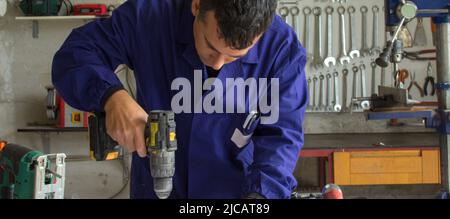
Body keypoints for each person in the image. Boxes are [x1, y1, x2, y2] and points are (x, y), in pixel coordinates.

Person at [52, 0, 308, 199]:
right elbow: (76, 54)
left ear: (261, 33)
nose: (217, 62)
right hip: (155, 188)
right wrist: (111, 96)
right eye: (211, 46)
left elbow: (281, 138)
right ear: (197, 5)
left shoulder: (281, 50)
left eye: (234, 57)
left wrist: (261, 196)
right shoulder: (151, 17)